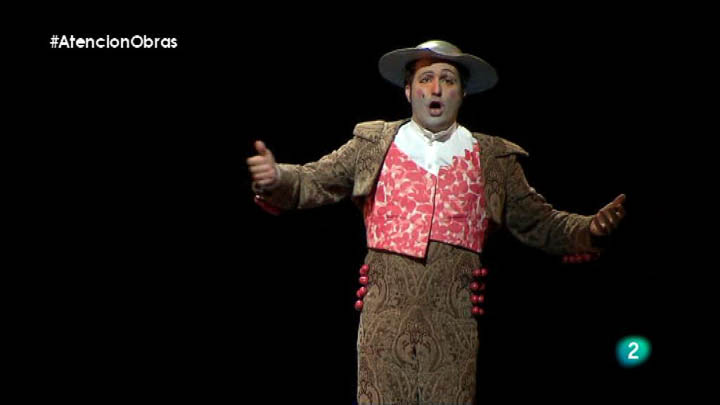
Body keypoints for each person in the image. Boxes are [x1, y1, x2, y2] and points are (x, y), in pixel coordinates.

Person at [246, 40, 626, 404]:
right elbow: (314, 180)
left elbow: (540, 222)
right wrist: (277, 178)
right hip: (384, 322)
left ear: (463, 93)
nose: (436, 89)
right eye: (425, 79)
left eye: (448, 79)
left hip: (453, 323)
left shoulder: (493, 158)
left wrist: (590, 228)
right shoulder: (373, 144)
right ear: (408, 91)